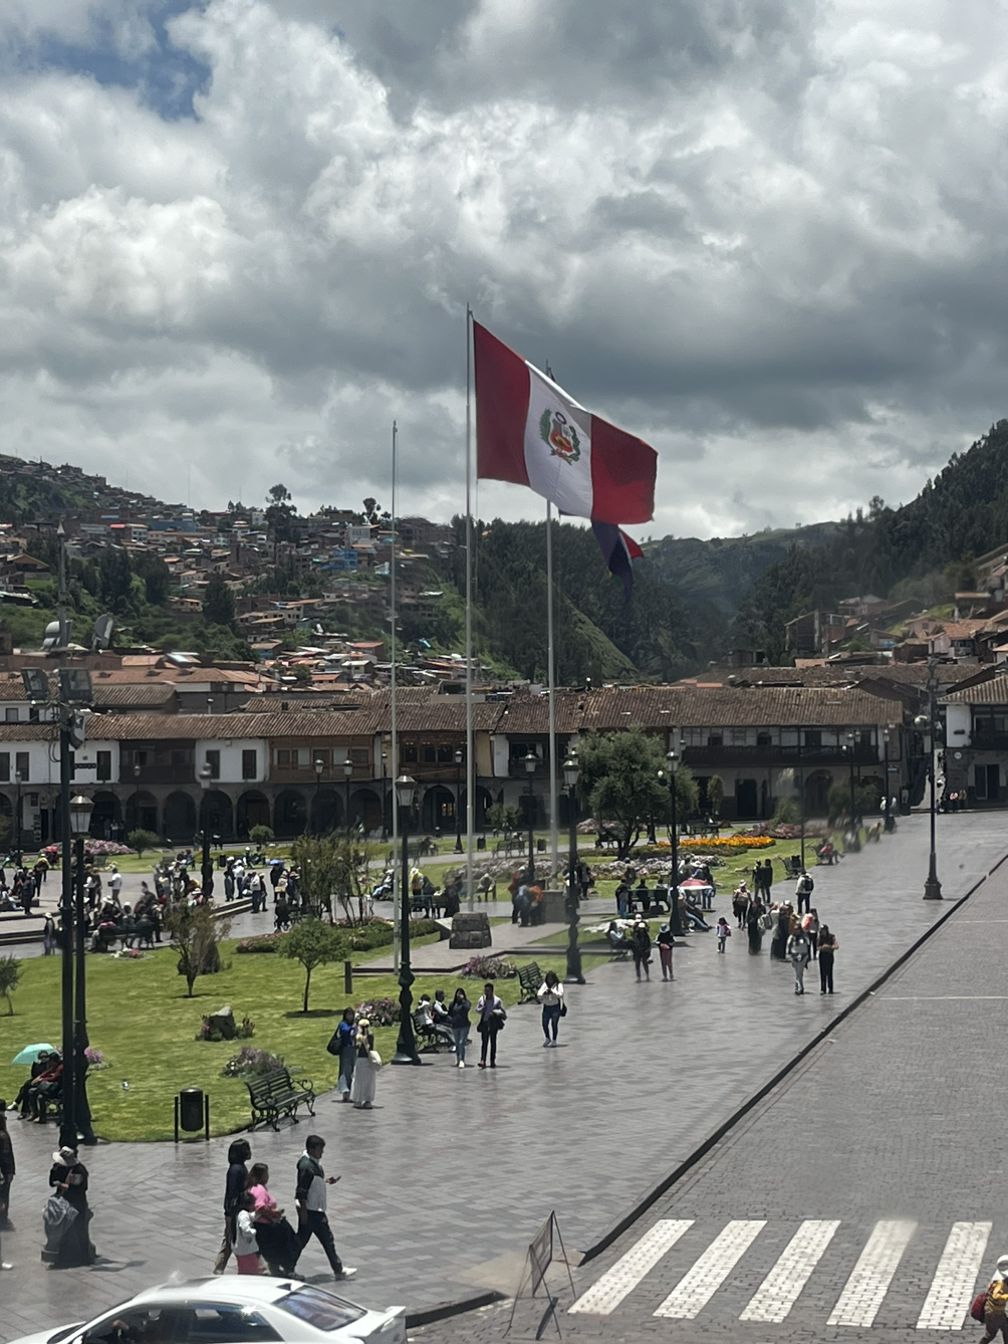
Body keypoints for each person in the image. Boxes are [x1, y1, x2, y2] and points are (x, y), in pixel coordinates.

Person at [292, 1136, 355, 1281]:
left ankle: (287, 1267)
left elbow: (312, 1183)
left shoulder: (312, 1163)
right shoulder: (306, 1167)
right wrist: (303, 1212)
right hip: (312, 1211)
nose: (322, 1152)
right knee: (325, 1240)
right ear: (311, 1149)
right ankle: (338, 1270)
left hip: (313, 1210)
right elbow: (301, 1190)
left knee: (302, 1241)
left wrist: (324, 1181)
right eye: (320, 1149)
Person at [246, 1162, 298, 1274]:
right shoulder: (260, 1189)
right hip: (266, 1226)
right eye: (266, 1174)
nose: (268, 1176)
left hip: (261, 1225)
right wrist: (273, 1213)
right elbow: (260, 1207)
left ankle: (273, 1267)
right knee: (285, 1246)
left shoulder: (253, 1187)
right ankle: (287, 1269)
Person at [48, 1146, 95, 1266]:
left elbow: (79, 1188)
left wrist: (62, 1185)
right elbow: (52, 1182)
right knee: (63, 1231)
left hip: (76, 1203)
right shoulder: (59, 1168)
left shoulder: (79, 1171)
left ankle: (84, 1257)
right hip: (63, 1202)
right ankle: (63, 1257)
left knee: (80, 1230)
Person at [213, 1138, 252, 1274]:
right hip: (235, 1211)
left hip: (236, 1210)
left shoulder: (238, 1168)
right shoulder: (237, 1170)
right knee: (230, 1240)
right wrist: (231, 1213)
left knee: (231, 1240)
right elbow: (233, 1193)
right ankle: (218, 1269)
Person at [476, 982, 506, 1068]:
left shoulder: (497, 1000)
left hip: (493, 1023)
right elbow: (477, 1009)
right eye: (485, 991)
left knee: (493, 1042)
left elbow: (503, 1012)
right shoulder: (482, 999)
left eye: (488, 991)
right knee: (484, 1042)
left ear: (492, 991)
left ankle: (492, 1060)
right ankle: (483, 1060)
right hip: (485, 1022)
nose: (486, 993)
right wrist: (482, 1008)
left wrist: (496, 1012)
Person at [330, 1009, 357, 1103]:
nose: (350, 1016)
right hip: (345, 1050)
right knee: (345, 1071)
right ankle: (345, 1094)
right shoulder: (343, 1024)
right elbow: (345, 1031)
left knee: (351, 1072)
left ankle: (348, 1095)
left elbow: (357, 1033)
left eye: (351, 1014)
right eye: (348, 1014)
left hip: (353, 1050)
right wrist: (352, 1028)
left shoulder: (354, 1025)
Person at [350, 1017, 377, 1109]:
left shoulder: (358, 1037)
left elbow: (355, 1047)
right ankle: (368, 1101)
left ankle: (358, 1100)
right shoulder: (371, 1036)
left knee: (358, 1081)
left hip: (360, 1060)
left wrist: (353, 1037)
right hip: (369, 1061)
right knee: (369, 1081)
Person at [234, 1191, 263, 1275]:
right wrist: (254, 1231)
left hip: (244, 1250)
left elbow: (250, 1217)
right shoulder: (243, 1215)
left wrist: (258, 1213)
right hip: (246, 1251)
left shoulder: (243, 1213)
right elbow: (246, 1230)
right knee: (250, 1272)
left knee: (246, 1270)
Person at [981, 1255, 1008, 1343]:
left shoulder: (999, 1278)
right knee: (990, 1334)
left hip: (998, 1311)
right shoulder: (1001, 1283)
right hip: (993, 1312)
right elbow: (995, 1296)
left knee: (1006, 1329)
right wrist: (1006, 1296)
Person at [537, 970, 564, 1046]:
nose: (550, 981)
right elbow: (539, 995)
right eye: (548, 979)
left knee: (554, 1024)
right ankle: (547, 1038)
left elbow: (560, 994)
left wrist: (553, 993)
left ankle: (554, 1040)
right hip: (546, 1007)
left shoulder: (558, 985)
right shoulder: (544, 985)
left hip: (555, 1007)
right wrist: (544, 993)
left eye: (551, 979)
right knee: (544, 1024)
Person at [448, 988, 471, 1067]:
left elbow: (467, 1008)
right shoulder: (453, 1004)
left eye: (461, 993)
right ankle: (458, 1058)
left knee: (461, 1042)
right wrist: (451, 1021)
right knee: (457, 1043)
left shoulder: (466, 1003)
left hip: (464, 1025)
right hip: (455, 1026)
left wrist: (463, 1000)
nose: (459, 995)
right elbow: (449, 1013)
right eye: (458, 993)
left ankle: (462, 1060)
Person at [786, 923, 811, 995]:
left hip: (803, 956)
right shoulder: (791, 937)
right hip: (794, 956)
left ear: (800, 929)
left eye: (798, 929)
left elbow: (808, 946)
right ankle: (801, 987)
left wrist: (808, 956)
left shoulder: (805, 937)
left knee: (799, 973)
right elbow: (788, 947)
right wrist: (789, 956)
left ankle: (798, 988)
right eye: (795, 929)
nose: (796, 931)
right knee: (797, 973)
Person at [0, 1105, 14, 1231]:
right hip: (4, 1172)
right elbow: (6, 1156)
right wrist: (9, 1172)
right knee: (4, 1196)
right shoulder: (3, 1136)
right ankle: (3, 1220)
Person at [818, 924, 838, 994]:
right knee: (822, 973)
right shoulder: (819, 938)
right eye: (821, 930)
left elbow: (836, 946)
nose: (822, 932)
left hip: (829, 956)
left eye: (823, 930)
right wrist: (822, 948)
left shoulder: (831, 937)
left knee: (829, 973)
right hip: (822, 956)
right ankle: (823, 989)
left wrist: (829, 947)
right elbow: (817, 947)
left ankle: (830, 988)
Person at [631, 917, 651, 981]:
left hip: (644, 951)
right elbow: (635, 943)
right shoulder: (636, 935)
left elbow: (649, 943)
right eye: (640, 929)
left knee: (645, 964)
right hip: (638, 951)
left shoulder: (646, 935)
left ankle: (647, 975)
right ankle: (638, 977)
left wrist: (648, 950)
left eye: (642, 929)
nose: (641, 930)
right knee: (637, 964)